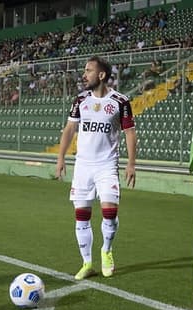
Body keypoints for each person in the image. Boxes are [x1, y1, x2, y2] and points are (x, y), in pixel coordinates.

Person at [55, 56, 137, 280]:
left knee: (110, 212)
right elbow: (69, 130)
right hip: (83, 165)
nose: (84, 74)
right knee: (82, 215)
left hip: (106, 165)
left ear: (101, 75)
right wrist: (61, 158)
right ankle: (87, 262)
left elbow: (130, 132)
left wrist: (131, 163)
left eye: (89, 70)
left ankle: (107, 251)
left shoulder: (120, 101)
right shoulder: (80, 100)